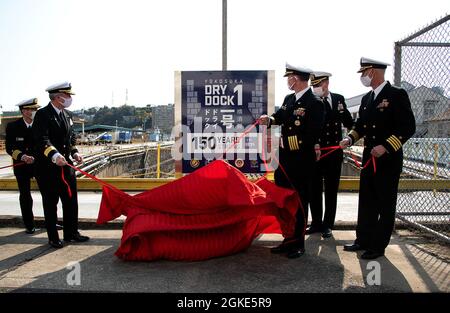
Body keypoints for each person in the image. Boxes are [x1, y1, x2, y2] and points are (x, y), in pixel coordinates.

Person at [340, 57, 416, 259]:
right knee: (366, 201)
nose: (363, 77)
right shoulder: (367, 99)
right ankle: (362, 240)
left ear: (372, 72)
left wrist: (386, 146)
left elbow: (408, 127)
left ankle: (377, 246)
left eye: (364, 73)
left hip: (388, 161)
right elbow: (361, 127)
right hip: (368, 159)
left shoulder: (396, 94)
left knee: (385, 203)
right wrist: (349, 138)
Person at [259, 63, 324, 258]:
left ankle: (298, 243)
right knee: (284, 200)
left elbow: (312, 135)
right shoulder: (289, 99)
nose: (288, 81)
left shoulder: (315, 103)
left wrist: (286, 142)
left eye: (289, 77)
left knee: (300, 201)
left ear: (295, 79)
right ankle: (288, 238)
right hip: (285, 161)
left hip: (301, 161)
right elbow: (280, 117)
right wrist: (269, 119)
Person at [33, 82, 89, 249]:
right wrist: (54, 155)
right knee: (51, 203)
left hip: (66, 166)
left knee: (71, 200)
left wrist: (75, 152)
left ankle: (71, 233)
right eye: (68, 95)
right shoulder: (42, 115)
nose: (70, 98)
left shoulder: (67, 115)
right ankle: (53, 237)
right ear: (58, 97)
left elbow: (70, 139)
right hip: (48, 168)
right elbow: (41, 139)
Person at [308, 72, 353, 238]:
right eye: (313, 86)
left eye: (317, 85)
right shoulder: (312, 101)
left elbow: (349, 122)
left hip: (334, 152)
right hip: (316, 152)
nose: (315, 88)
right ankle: (316, 223)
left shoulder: (339, 99)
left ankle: (328, 224)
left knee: (331, 190)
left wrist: (350, 137)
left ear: (326, 84)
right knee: (314, 189)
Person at [5, 98, 40, 234]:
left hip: (39, 165)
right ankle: (29, 224)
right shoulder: (13, 126)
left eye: (35, 109)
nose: (34, 112)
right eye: (32, 109)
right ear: (24, 111)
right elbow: (10, 148)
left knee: (49, 194)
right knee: (25, 196)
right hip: (22, 165)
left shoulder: (40, 124)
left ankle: (51, 222)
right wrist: (22, 156)